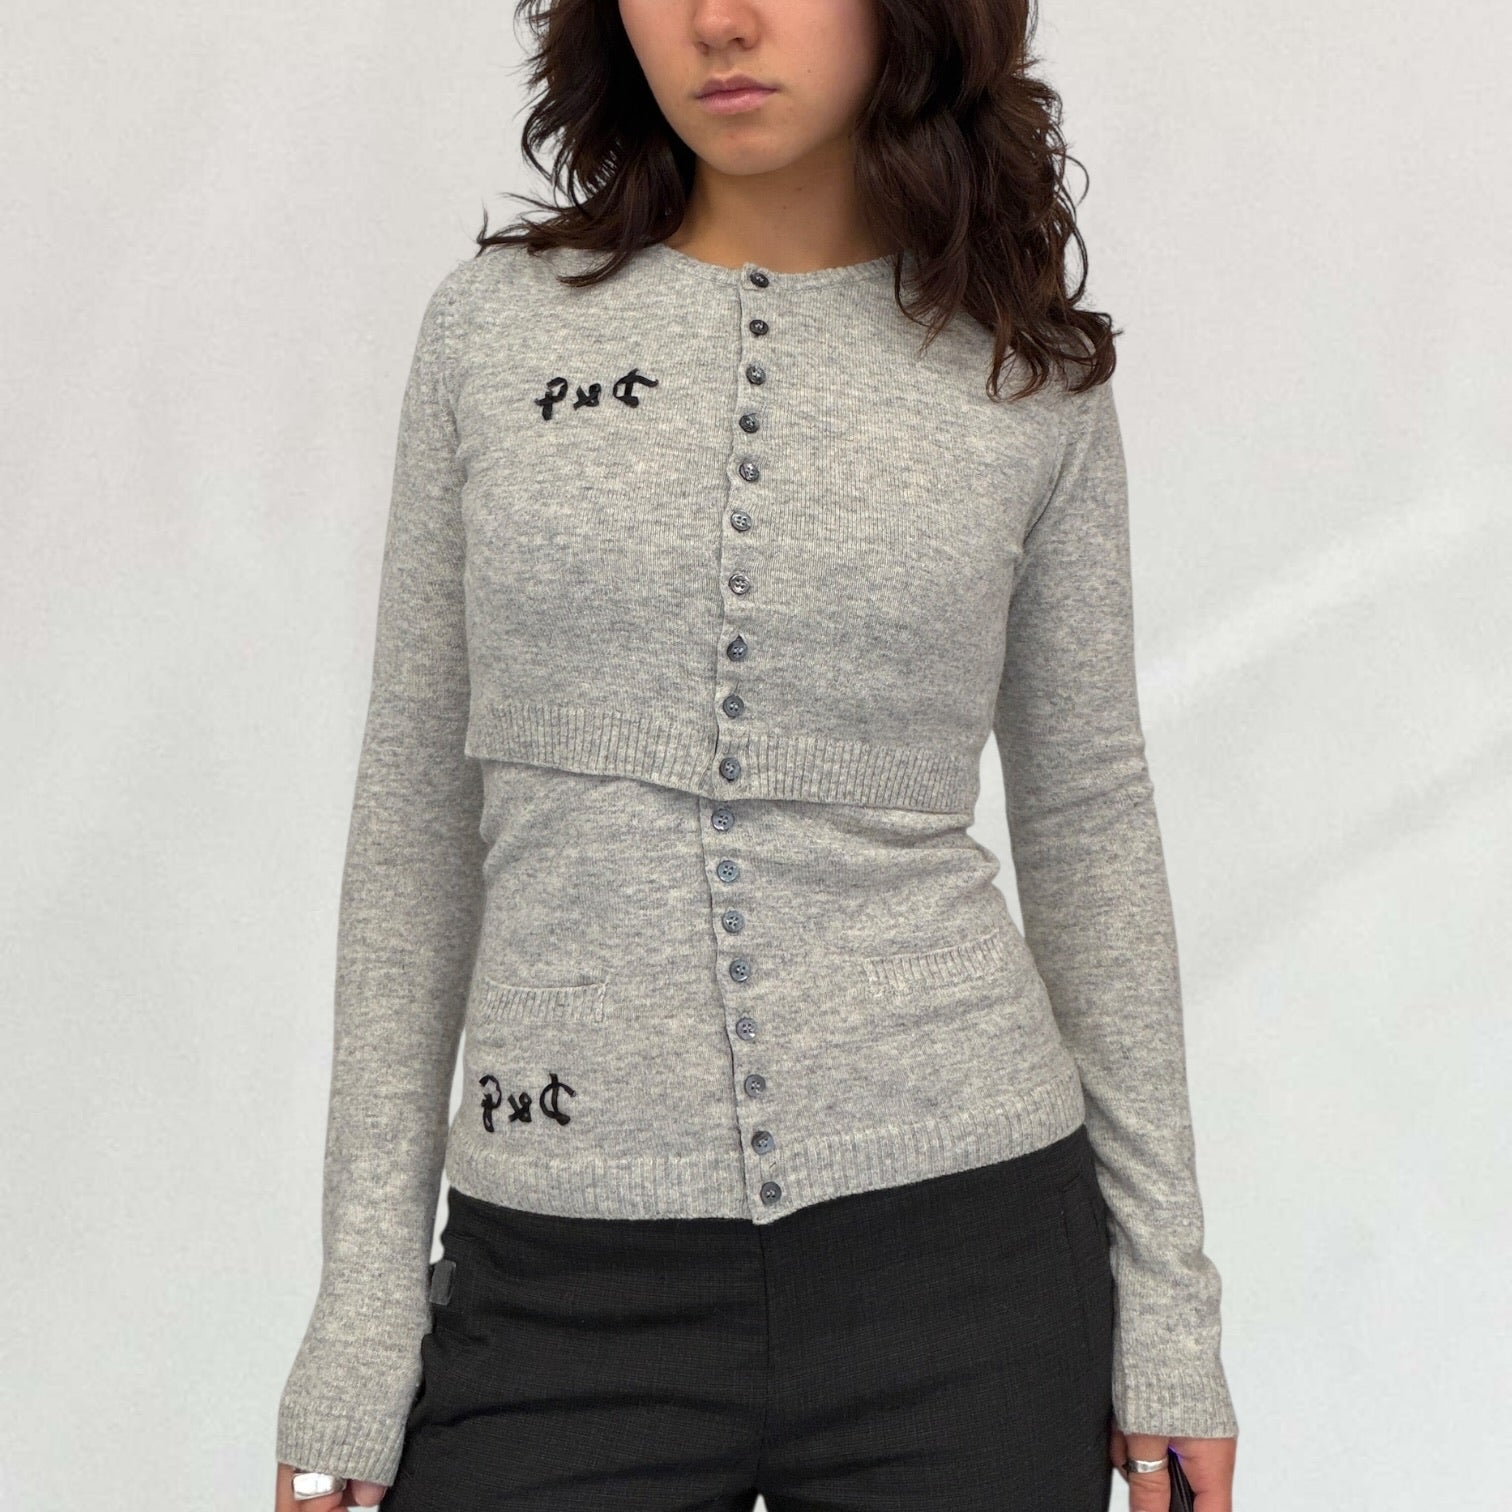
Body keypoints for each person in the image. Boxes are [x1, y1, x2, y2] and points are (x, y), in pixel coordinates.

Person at [272, 0, 1241, 1508]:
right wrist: (358, 1320)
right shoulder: (494, 332)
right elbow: (414, 822)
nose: (718, 20)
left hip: (968, 1274)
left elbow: (1090, 828)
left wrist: (1171, 1316)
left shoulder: (1023, 369)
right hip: (556, 1281)